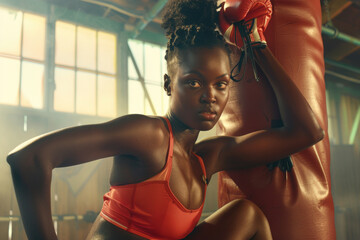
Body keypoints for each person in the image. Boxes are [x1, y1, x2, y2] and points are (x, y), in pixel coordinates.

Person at [6, 0, 324, 239]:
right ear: (169, 84)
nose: (210, 96)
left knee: (247, 215)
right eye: (194, 82)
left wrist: (257, 45)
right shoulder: (149, 135)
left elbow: (306, 131)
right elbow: (28, 159)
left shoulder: (207, 158)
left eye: (221, 84)